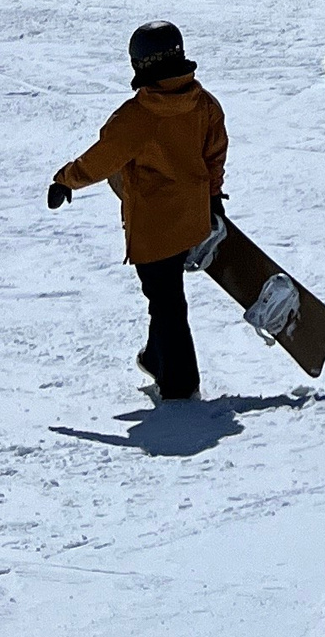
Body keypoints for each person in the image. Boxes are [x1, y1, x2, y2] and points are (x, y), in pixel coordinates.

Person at [47, 21, 229, 403]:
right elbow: (214, 153)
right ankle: (155, 357)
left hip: (155, 229)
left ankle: (180, 385)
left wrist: (66, 180)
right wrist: (212, 199)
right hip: (193, 219)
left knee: (167, 303)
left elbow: (102, 159)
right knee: (165, 298)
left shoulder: (138, 116)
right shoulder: (204, 103)